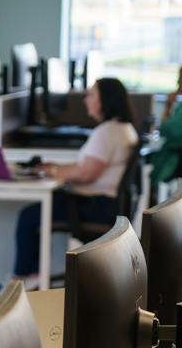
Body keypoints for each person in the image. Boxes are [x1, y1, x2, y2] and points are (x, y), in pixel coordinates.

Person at [13, 77, 141, 285]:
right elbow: (86, 168)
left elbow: (86, 174)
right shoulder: (122, 128)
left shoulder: (107, 132)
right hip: (104, 204)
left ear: (104, 101)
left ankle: (25, 278)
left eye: (91, 95)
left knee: (28, 217)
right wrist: (54, 169)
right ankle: (34, 274)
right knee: (39, 210)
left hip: (93, 206)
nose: (85, 100)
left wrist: (53, 171)